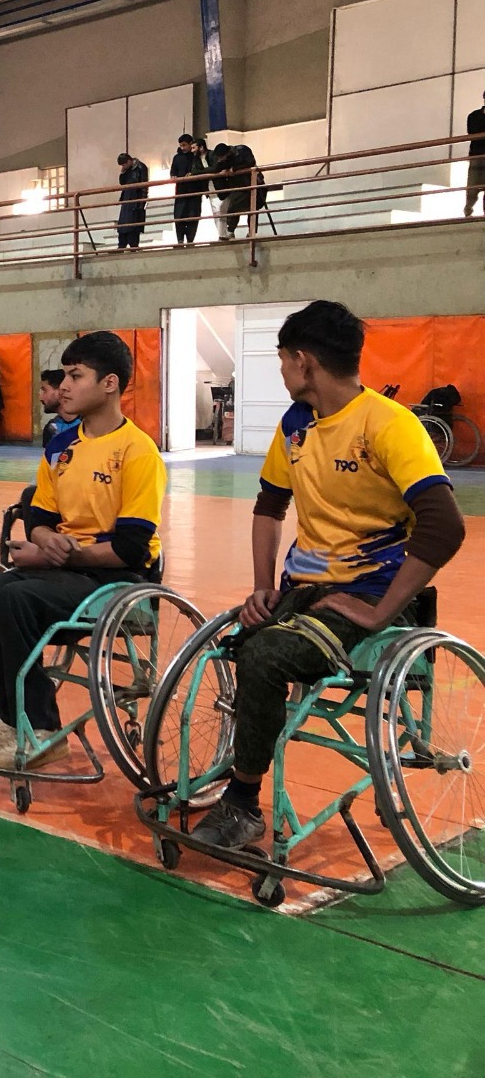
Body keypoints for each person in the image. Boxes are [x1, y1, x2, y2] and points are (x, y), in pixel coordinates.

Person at [190, 301, 465, 848]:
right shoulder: (296, 425)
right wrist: (263, 587)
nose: (282, 372)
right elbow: (270, 506)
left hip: (372, 592)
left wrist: (380, 611)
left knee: (265, 658)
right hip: (306, 590)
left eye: (282, 362)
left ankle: (243, 803)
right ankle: (240, 763)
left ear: (303, 361)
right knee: (236, 640)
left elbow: (445, 526)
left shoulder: (390, 425)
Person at [0, 331, 167, 769]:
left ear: (110, 383)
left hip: (118, 578)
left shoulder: (138, 452)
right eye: (63, 376)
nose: (63, 387)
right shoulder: (60, 445)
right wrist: (43, 539)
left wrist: (52, 555)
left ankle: (42, 728)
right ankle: (14, 715)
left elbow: (131, 549)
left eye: (75, 376)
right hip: (68, 571)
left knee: (16, 597)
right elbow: (39, 516)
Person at [210, 142, 265, 240]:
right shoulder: (224, 159)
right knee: (235, 207)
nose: (219, 159)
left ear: (226, 153)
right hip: (240, 186)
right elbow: (216, 169)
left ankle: (250, 232)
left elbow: (250, 162)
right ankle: (233, 231)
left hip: (252, 184)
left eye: (221, 157)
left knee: (252, 208)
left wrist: (234, 169)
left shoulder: (242, 150)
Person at [170, 134, 210, 246]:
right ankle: (180, 240)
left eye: (184, 145)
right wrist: (173, 175)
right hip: (181, 191)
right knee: (179, 216)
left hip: (195, 190)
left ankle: (190, 240)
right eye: (181, 145)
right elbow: (173, 170)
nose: (182, 148)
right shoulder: (177, 158)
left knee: (193, 216)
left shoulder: (197, 157)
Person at [116, 152, 150, 250]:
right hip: (127, 197)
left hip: (136, 198)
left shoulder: (141, 167)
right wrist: (122, 173)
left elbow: (144, 185)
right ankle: (121, 245)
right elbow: (122, 183)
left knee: (134, 224)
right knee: (123, 224)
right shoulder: (127, 170)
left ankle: (133, 245)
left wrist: (142, 201)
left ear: (129, 161)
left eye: (124, 164)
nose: (123, 167)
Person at [38, 368, 77, 446]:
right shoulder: (51, 428)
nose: (40, 398)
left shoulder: (88, 424)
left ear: (61, 390)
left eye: (44, 390)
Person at [465, 88, 485, 217]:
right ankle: (468, 211)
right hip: (477, 155)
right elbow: (473, 133)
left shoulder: (474, 116)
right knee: (472, 187)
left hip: (477, 153)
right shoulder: (474, 116)